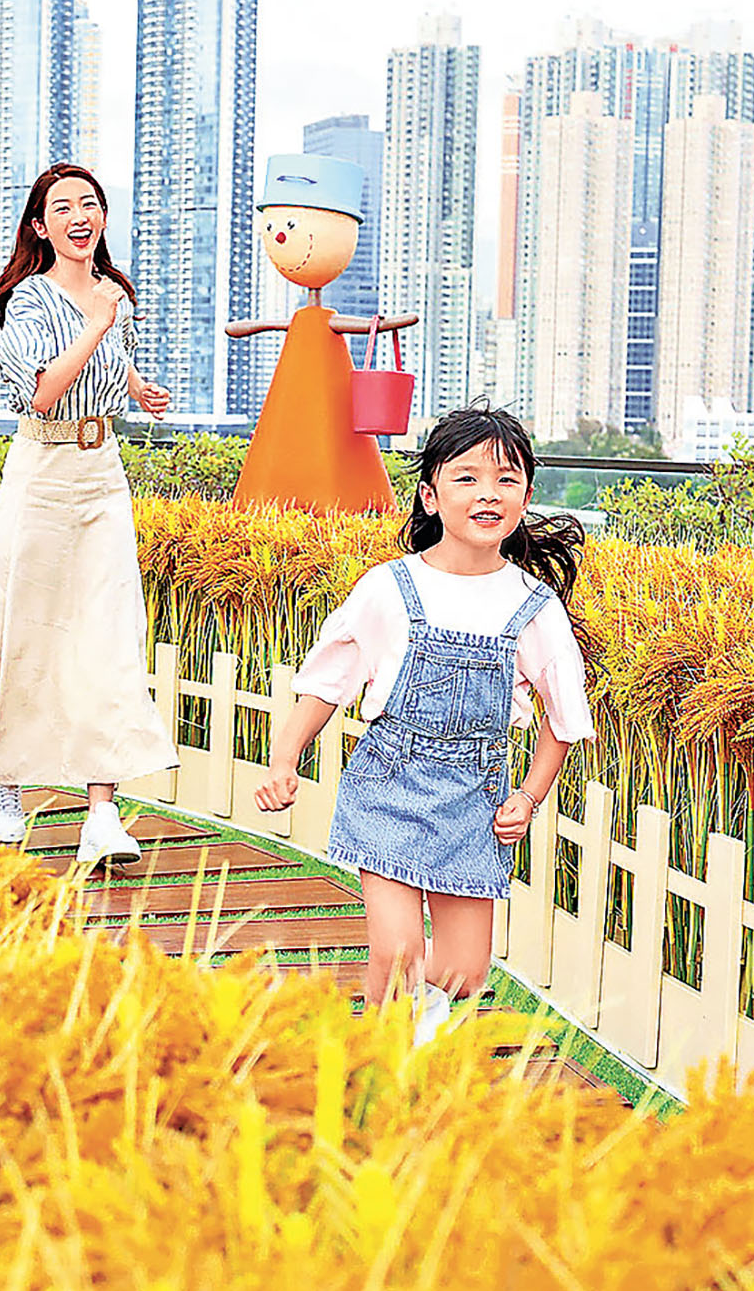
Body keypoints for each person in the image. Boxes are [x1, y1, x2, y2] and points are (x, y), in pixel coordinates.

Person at [251, 405, 595, 1042]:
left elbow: (565, 719)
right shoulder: (389, 587)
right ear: (431, 495)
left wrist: (528, 796)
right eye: (466, 478)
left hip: (474, 800)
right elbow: (326, 682)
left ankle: (416, 1016)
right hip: (389, 784)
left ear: (524, 495)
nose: (487, 494)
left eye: (507, 479)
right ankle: (380, 1069)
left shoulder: (534, 606)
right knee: (399, 951)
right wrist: (283, 761)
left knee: (465, 975)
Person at [0, 163, 182, 864]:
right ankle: (0, 777)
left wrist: (139, 388)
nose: (79, 214)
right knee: (23, 622)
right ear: (39, 226)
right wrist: (95, 323)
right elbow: (44, 392)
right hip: (42, 471)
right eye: (62, 206)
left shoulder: (115, 297)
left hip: (102, 470)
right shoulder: (28, 300)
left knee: (109, 632)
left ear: (102, 217)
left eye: (90, 202)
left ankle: (101, 812)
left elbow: (115, 359)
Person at [225, 155, 420, 513]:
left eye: (290, 226)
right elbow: (245, 328)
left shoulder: (324, 324)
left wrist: (388, 324)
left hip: (332, 425)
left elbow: (368, 326)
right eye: (273, 228)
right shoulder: (303, 323)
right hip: (286, 412)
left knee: (334, 451)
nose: (280, 235)